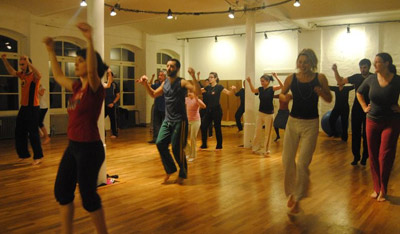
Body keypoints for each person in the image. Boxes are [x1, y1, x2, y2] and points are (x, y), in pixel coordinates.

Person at [43, 22, 108, 234]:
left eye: (80, 61)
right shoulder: (77, 87)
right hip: (73, 146)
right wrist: (51, 51)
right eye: (76, 61)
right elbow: (58, 76)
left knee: (88, 197)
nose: (76, 64)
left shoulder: (95, 87)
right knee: (62, 191)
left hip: (90, 148)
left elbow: (91, 70)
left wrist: (89, 40)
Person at [280, 49, 332, 216]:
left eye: (306, 62)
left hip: (311, 124)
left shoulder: (320, 78)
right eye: (300, 62)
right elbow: (281, 94)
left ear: (312, 63)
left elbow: (329, 98)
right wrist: (285, 98)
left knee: (302, 163)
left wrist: (321, 92)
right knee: (287, 160)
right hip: (293, 122)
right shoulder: (291, 78)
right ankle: (291, 193)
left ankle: (297, 197)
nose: (302, 65)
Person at [138, 61, 201, 185]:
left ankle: (182, 173)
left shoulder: (182, 82)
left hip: (180, 120)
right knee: (160, 143)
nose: (169, 68)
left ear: (177, 68)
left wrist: (193, 77)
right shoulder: (165, 83)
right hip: (168, 120)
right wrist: (145, 84)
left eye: (171, 66)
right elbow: (154, 94)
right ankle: (170, 169)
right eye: (167, 66)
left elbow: (197, 92)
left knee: (177, 148)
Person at [356, 52, 400, 202]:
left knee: (385, 156)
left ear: (387, 63)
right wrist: (364, 107)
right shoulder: (371, 79)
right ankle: (377, 188)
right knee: (373, 155)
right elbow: (359, 93)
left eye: (378, 62)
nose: (374, 65)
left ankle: (384, 188)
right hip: (372, 121)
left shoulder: (397, 80)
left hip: (391, 122)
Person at [1, 54, 44, 165]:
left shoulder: (34, 76)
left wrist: (29, 63)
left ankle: (38, 156)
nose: (21, 66)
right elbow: (12, 72)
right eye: (20, 64)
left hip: (33, 108)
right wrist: (4, 60)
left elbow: (39, 74)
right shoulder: (22, 75)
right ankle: (23, 154)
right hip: (24, 107)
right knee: (19, 131)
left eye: (23, 64)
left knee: (33, 133)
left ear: (28, 64)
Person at [332, 59, 372, 165]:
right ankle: (356, 156)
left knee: (367, 134)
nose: (363, 70)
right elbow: (340, 81)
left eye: (365, 67)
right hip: (357, 109)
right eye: (361, 67)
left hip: (369, 110)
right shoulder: (356, 77)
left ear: (369, 67)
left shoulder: (374, 77)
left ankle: (365, 157)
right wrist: (335, 71)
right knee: (355, 133)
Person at [246, 73, 283, 155]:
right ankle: (255, 148)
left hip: (269, 114)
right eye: (261, 81)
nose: (261, 83)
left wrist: (276, 77)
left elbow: (282, 86)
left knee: (268, 134)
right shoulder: (260, 89)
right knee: (257, 131)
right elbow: (253, 90)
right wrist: (249, 82)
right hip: (260, 113)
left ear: (268, 81)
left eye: (263, 81)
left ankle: (266, 150)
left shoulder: (272, 88)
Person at [200, 72, 236, 150]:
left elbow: (229, 93)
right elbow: (199, 91)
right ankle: (204, 144)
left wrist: (233, 90)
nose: (210, 78)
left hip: (217, 110)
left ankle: (219, 145)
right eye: (209, 77)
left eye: (211, 77)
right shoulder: (208, 87)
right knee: (203, 126)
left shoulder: (219, 87)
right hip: (208, 110)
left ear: (215, 78)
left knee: (217, 128)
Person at [185, 89, 206, 162]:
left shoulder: (196, 100)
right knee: (182, 138)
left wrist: (197, 99)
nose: (189, 93)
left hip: (196, 121)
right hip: (188, 121)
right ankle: (188, 152)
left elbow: (204, 106)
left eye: (191, 92)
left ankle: (193, 155)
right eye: (188, 92)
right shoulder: (186, 99)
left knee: (192, 138)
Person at [148, 71, 166, 144]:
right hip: (157, 106)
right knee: (156, 124)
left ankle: (165, 139)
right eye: (159, 75)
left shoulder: (167, 84)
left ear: (165, 76)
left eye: (161, 75)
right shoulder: (157, 84)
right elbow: (150, 87)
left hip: (165, 107)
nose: (159, 77)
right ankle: (155, 138)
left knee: (165, 125)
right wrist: (146, 81)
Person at [104, 69, 120, 138]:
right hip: (105, 105)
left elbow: (118, 96)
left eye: (109, 75)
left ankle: (114, 133)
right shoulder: (104, 83)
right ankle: (102, 133)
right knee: (100, 120)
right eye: (107, 75)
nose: (108, 77)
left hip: (112, 105)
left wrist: (113, 103)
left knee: (113, 120)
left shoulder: (115, 85)